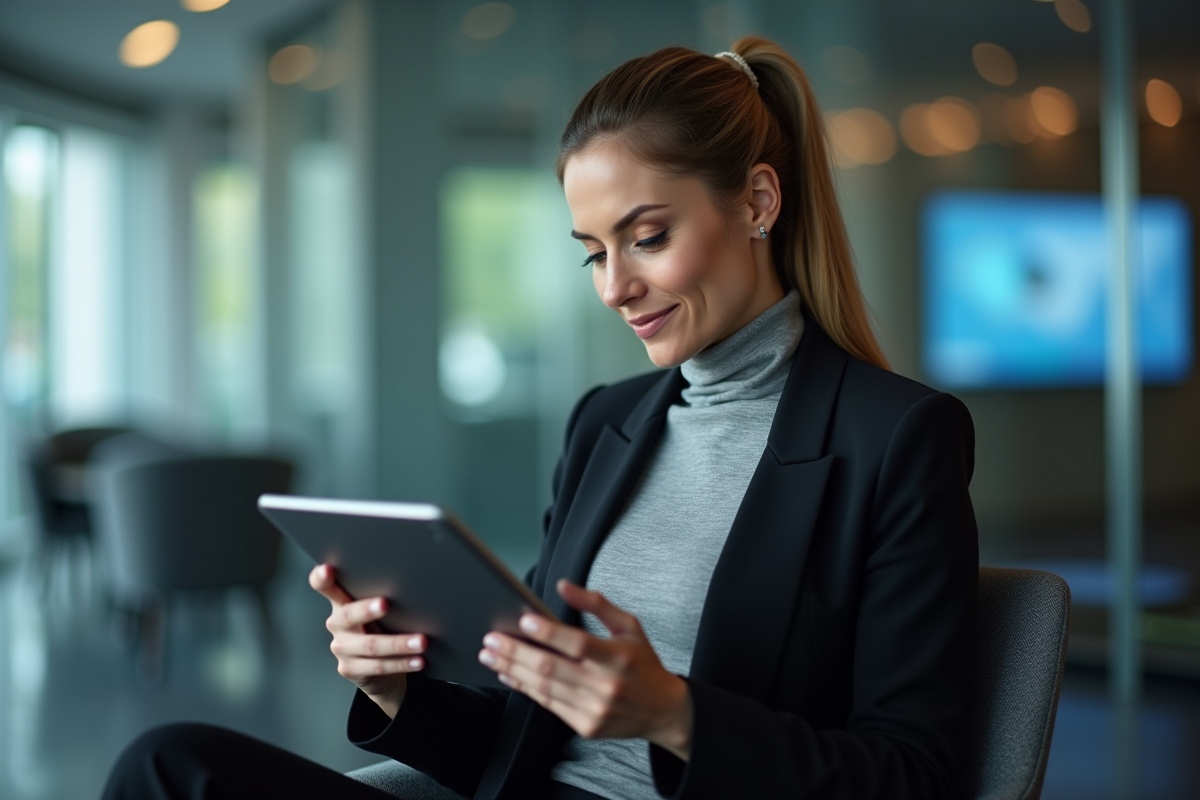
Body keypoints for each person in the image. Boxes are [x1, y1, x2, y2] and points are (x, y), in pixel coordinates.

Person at [103, 36, 977, 800]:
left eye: (647, 237)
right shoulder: (607, 424)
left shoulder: (894, 439)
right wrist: (395, 687)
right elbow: (514, 732)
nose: (614, 287)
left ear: (756, 202)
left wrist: (676, 717)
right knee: (170, 763)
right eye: (594, 252)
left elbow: (915, 776)